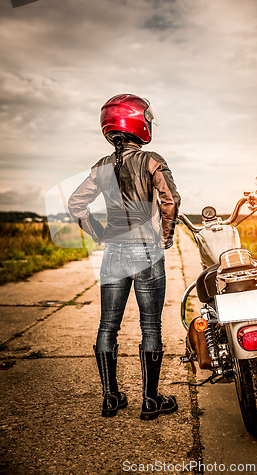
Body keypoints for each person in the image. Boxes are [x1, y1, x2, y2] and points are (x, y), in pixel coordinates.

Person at [68, 94, 181, 420]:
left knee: (108, 327)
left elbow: (77, 205)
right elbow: (169, 200)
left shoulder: (101, 167)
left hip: (114, 253)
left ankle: (110, 398)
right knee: (150, 327)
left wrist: (98, 232)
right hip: (146, 251)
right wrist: (166, 236)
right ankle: (150, 400)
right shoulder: (150, 160)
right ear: (137, 122)